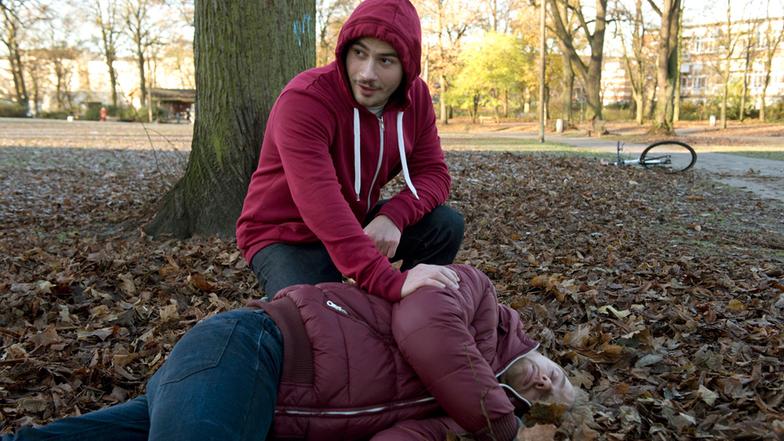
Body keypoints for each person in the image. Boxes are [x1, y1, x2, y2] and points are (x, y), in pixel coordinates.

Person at [1, 265, 575, 441]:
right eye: (560, 377)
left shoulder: (459, 410)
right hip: (252, 347)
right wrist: (500, 423)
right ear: (549, 355)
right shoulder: (480, 303)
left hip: (247, 407)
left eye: (547, 398)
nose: (550, 383)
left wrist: (470, 426)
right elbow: (423, 323)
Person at [236, 0, 464, 301]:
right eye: (360, 54)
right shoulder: (305, 100)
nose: (366, 74)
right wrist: (386, 281)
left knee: (445, 225)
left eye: (385, 61)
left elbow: (434, 173)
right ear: (345, 50)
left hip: (355, 218)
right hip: (287, 233)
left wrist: (394, 216)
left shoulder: (416, 98)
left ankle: (418, 313)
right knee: (317, 319)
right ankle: (287, 309)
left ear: (407, 67)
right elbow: (320, 203)